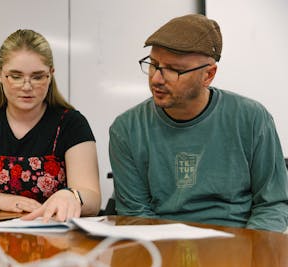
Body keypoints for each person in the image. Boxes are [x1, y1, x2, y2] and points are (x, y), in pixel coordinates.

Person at [109, 14, 288, 232]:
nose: (156, 78)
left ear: (208, 75)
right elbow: (136, 214)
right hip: (163, 246)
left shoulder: (252, 119)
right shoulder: (126, 129)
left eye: (174, 70)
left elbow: (273, 204)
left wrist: (250, 251)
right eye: (153, 64)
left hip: (236, 243)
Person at [0, 29, 101, 222]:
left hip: (52, 238)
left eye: (37, 76)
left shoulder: (72, 124)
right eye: (16, 76)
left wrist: (72, 195)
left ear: (50, 75)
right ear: (0, 74)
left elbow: (92, 200)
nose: (27, 86)